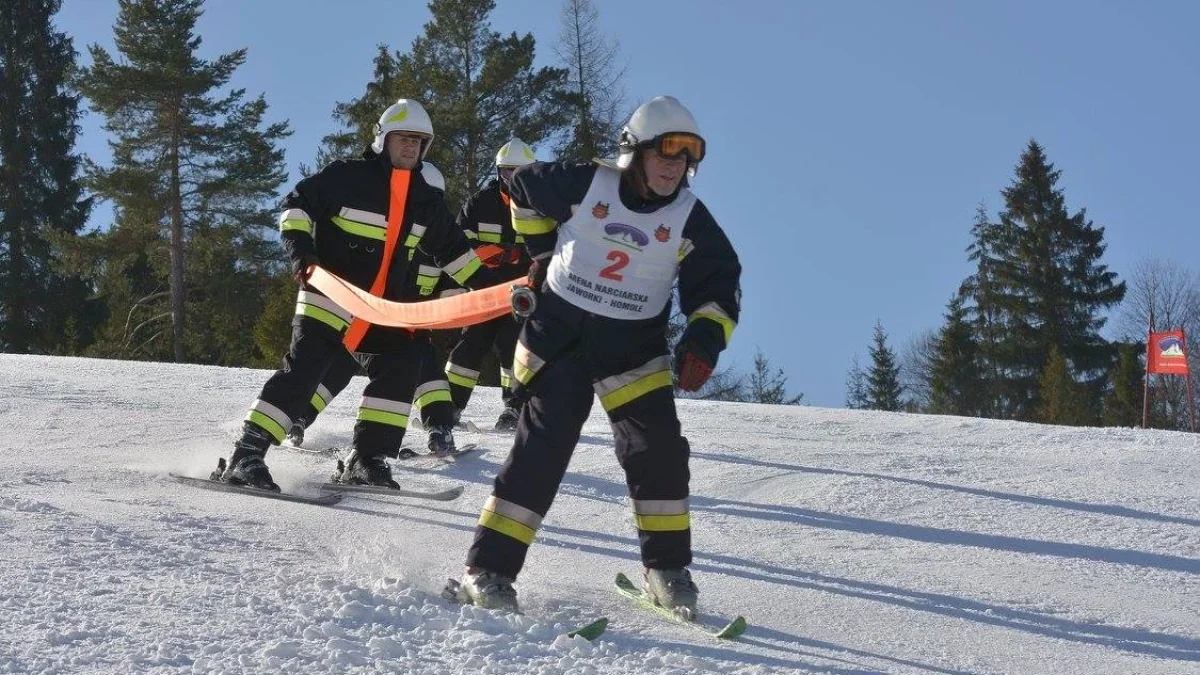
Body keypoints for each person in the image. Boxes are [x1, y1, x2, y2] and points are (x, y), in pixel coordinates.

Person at [449, 96, 741, 616]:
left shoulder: (689, 219)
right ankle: (488, 571)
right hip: (559, 341)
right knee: (543, 449)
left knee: (660, 452)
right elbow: (521, 186)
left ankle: (667, 570)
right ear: (633, 153)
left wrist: (703, 338)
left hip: (632, 351)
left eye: (685, 158)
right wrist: (540, 252)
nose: (675, 167)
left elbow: (717, 285)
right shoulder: (587, 183)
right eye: (665, 153)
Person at [220, 100, 494, 492]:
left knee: (405, 363)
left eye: (419, 142)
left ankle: (368, 459)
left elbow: (453, 251)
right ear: (383, 139)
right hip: (332, 295)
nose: (411, 147)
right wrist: (302, 253)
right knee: (305, 370)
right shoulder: (348, 176)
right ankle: (247, 456)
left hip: (383, 309)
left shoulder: (425, 199)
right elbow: (296, 206)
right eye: (404, 139)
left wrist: (489, 288)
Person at [281, 163, 456, 453]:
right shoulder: (391, 238)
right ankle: (299, 418)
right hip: (365, 321)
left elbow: (452, 289)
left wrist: (451, 324)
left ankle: (439, 429)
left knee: (424, 364)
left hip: (407, 329)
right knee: (337, 366)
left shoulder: (439, 250)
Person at [443, 139, 537, 431]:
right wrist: (504, 254)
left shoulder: (542, 207)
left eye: (521, 172)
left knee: (514, 345)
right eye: (509, 172)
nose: (515, 179)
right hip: (483, 289)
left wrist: (513, 255)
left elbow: (550, 250)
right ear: (499, 173)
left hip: (523, 294)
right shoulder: (480, 203)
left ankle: (515, 407)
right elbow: (459, 245)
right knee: (469, 346)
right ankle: (448, 408)